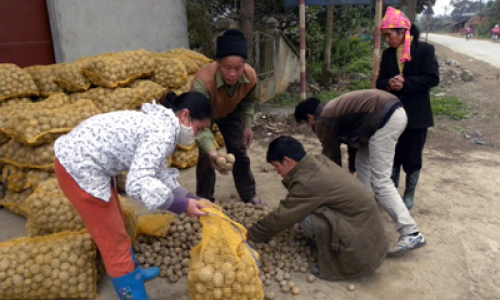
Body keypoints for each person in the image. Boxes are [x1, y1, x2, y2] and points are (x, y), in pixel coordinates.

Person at [54, 91, 213, 300]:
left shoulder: (163, 125)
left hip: (92, 165)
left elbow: (158, 173)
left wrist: (191, 198)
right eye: (199, 128)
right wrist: (182, 206)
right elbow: (137, 183)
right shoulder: (161, 133)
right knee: (113, 240)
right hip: (78, 169)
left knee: (117, 222)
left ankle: (133, 273)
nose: (197, 135)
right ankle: (132, 293)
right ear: (185, 116)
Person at [294, 89, 427, 255]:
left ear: (310, 117)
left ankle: (411, 232)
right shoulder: (334, 109)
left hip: (385, 118)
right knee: (362, 162)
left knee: (381, 182)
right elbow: (353, 141)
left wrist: (331, 192)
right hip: (389, 113)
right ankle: (363, 207)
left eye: (307, 125)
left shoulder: (324, 119)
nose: (311, 127)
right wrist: (351, 169)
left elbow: (331, 157)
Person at [247, 136, 387, 280]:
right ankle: (323, 241)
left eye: (277, 166)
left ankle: (335, 258)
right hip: (367, 227)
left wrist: (252, 233)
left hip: (358, 240)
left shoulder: (307, 182)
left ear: (288, 161)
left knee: (304, 218)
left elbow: (284, 215)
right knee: (305, 210)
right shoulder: (317, 160)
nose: (278, 172)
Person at [191, 28, 264, 205]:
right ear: (217, 63)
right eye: (227, 68)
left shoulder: (251, 76)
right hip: (206, 113)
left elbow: (248, 102)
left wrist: (247, 125)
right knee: (205, 158)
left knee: (239, 151)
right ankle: (205, 199)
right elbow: (199, 121)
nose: (233, 74)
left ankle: (248, 194)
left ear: (245, 64)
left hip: (231, 112)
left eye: (238, 68)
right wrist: (212, 153)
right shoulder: (202, 82)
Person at [376, 7, 439, 210]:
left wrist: (407, 83)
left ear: (402, 31)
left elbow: (432, 78)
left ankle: (409, 193)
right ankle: (391, 191)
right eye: (384, 36)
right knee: (392, 153)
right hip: (392, 113)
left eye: (389, 35)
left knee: (412, 156)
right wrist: (390, 83)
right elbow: (379, 82)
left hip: (417, 114)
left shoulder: (424, 51)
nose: (387, 40)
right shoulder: (388, 55)